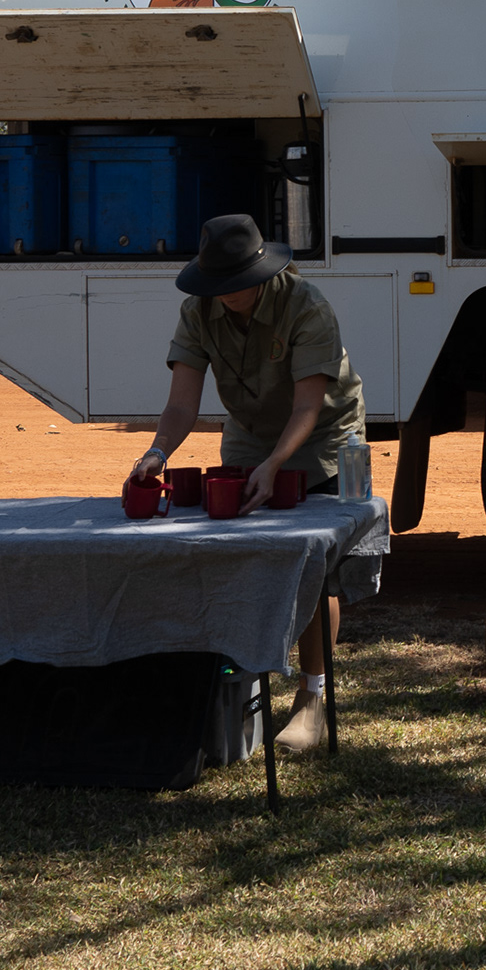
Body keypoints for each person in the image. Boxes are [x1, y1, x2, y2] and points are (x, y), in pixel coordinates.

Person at [128, 212, 366, 754]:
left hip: (319, 434)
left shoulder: (307, 307)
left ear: (262, 272)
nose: (227, 295)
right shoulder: (199, 310)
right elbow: (182, 403)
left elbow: (309, 404)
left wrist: (277, 464)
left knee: (313, 565)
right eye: (218, 286)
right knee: (235, 555)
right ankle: (237, 687)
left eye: (236, 285)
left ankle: (312, 699)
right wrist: (157, 452)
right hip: (250, 434)